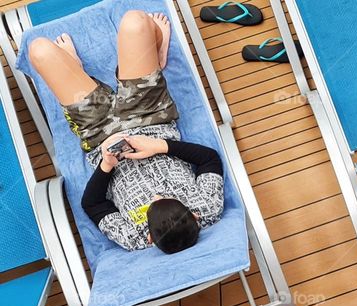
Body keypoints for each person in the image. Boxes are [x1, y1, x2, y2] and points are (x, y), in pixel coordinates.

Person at [28, 11, 224, 254]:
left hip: (99, 132)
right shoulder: (207, 209)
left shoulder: (134, 238)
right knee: (135, 21)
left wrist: (106, 165)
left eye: (152, 203)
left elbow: (93, 204)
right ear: (193, 215)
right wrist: (161, 146)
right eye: (166, 197)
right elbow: (209, 159)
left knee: (39, 50)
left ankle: (76, 71)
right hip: (149, 116)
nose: (157, 195)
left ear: (150, 239)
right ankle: (156, 53)